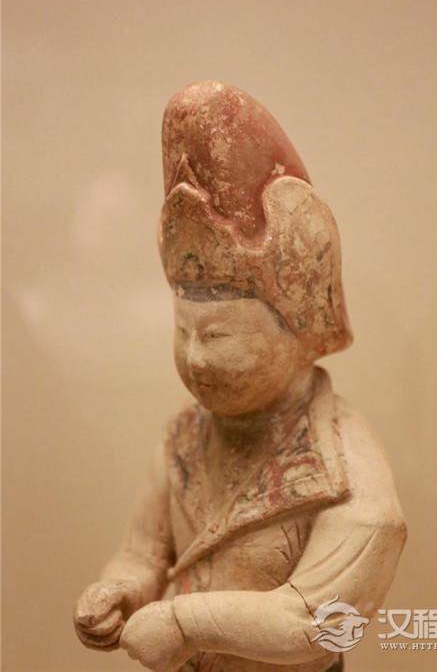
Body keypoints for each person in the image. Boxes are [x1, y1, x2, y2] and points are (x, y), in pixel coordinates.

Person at [74, 81, 406, 672]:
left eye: (219, 337)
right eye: (183, 332)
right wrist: (121, 589)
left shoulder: (348, 477)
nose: (195, 358)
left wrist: (184, 622)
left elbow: (321, 621)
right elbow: (145, 552)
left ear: (298, 332)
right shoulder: (183, 439)